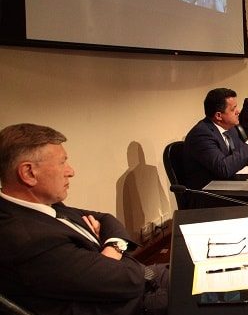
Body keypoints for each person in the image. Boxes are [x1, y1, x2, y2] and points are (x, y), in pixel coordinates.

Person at [0, 123, 168, 315]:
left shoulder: (40, 204)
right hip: (134, 303)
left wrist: (107, 250)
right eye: (62, 162)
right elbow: (130, 280)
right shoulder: (27, 239)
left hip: (140, 278)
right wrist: (113, 248)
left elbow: (105, 219)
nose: (71, 171)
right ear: (29, 172)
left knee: (199, 266)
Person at [183, 88, 248, 190]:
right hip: (208, 194)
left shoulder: (230, 128)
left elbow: (238, 155)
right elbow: (224, 169)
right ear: (218, 116)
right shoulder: (201, 135)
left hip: (229, 186)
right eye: (233, 109)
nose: (238, 111)